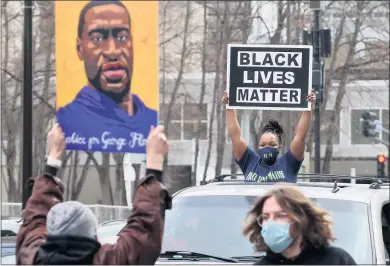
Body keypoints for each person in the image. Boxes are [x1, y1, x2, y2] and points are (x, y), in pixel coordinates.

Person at [16, 124, 172, 265]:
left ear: (49, 234)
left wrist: (53, 157)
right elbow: (143, 231)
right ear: (94, 235)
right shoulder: (105, 262)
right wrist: (154, 161)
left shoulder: (31, 258)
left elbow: (34, 219)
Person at [56, 0, 157, 153]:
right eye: (97, 39)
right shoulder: (67, 122)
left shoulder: (152, 123)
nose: (112, 51)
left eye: (122, 38)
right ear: (79, 48)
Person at [242, 184, 356, 265]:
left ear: (301, 219)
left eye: (280, 215)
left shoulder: (337, 260)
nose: (271, 223)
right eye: (266, 217)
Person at [222, 90, 316, 182]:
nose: (267, 148)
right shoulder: (249, 161)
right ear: (258, 146)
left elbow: (300, 136)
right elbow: (235, 137)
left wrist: (308, 107)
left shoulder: (289, 162)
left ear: (279, 147)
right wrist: (230, 109)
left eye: (272, 144)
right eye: (262, 145)